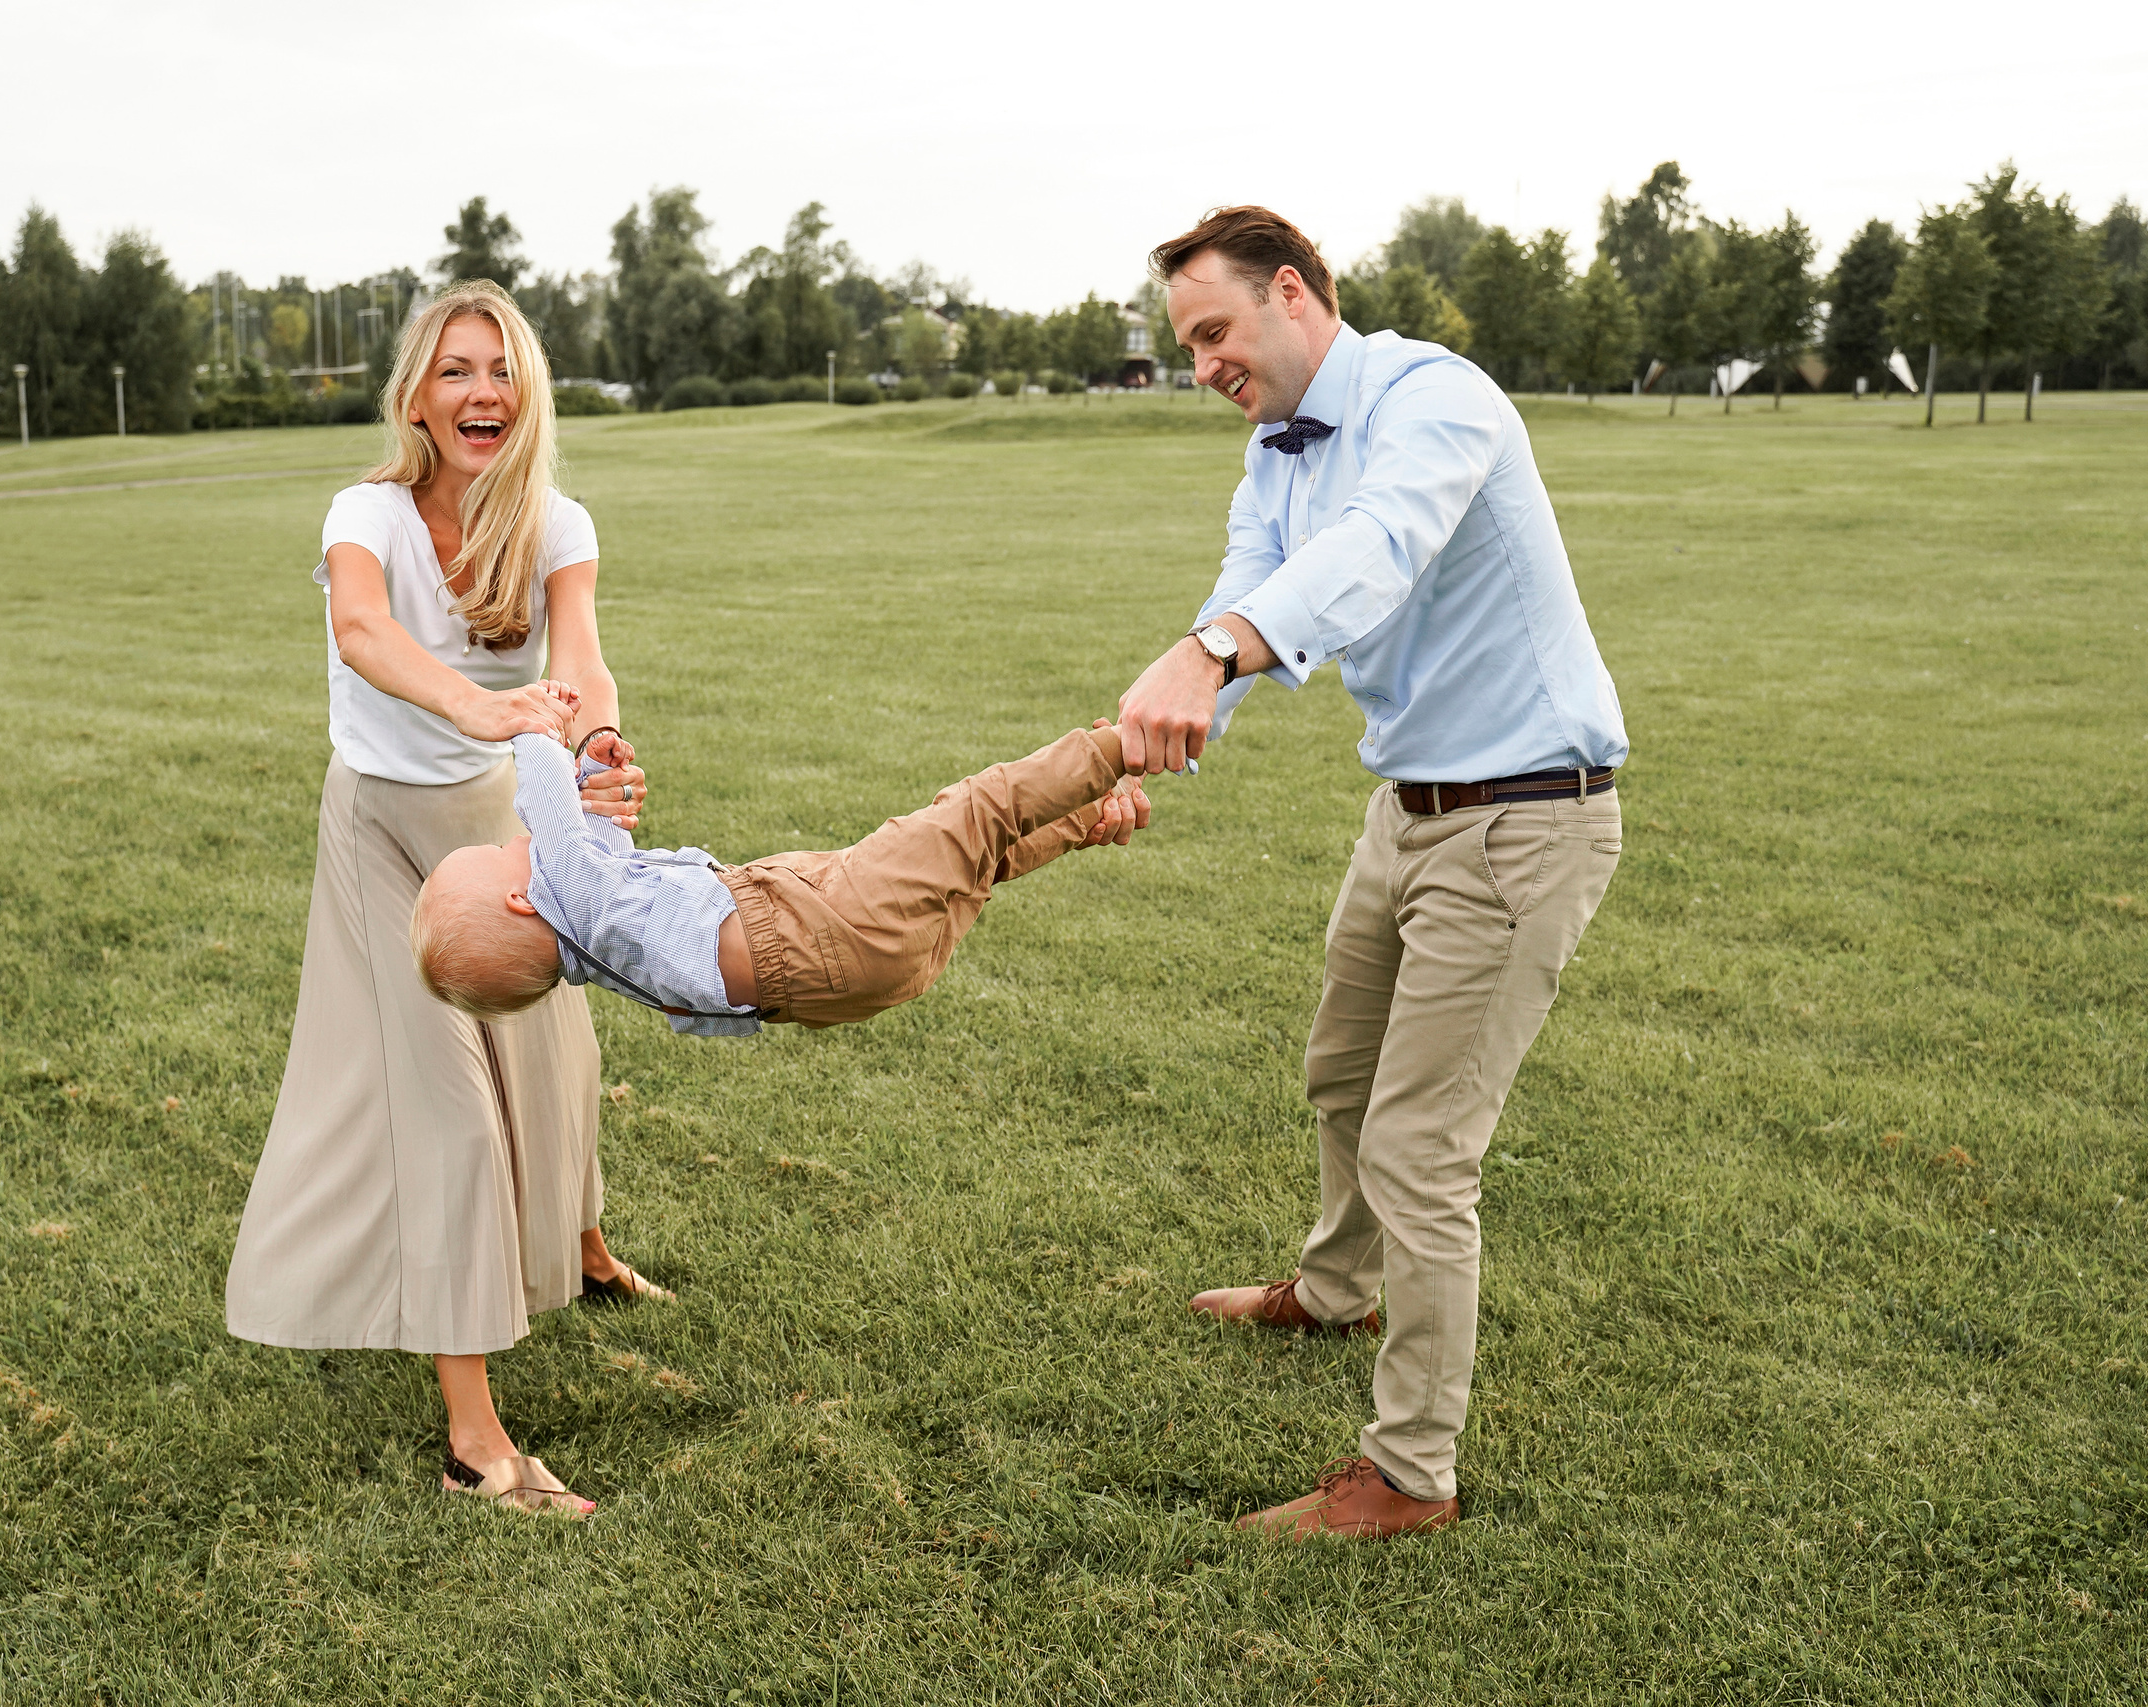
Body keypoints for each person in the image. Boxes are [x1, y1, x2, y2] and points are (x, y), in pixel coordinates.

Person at [1117, 207, 1630, 1541]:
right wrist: (1145, 748)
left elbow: (1376, 549)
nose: (1203, 366)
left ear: (1294, 293)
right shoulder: (1276, 456)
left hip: (1525, 816)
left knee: (1420, 1143)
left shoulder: (1434, 399)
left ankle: (1411, 1473)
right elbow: (1248, 590)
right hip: (1409, 811)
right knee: (1341, 1071)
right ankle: (1335, 1287)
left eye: (1216, 332)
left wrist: (1215, 654)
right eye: (1187, 346)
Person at [224, 281, 661, 1521]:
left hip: (495, 825)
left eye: (502, 370)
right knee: (449, 1111)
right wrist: (480, 707)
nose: (483, 392)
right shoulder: (362, 511)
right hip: (380, 832)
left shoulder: (556, 522)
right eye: (456, 371)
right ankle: (477, 1440)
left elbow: (580, 661)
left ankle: (578, 1249)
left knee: (558, 1060)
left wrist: (597, 747)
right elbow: (363, 631)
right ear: (417, 393)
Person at [412, 708, 1151, 1033]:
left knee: (975, 854)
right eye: (491, 849)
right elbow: (555, 818)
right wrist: (532, 727)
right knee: (976, 809)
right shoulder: (576, 897)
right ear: (518, 899)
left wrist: (590, 765)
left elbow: (594, 842)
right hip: (827, 923)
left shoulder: (600, 936)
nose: (512, 840)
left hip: (847, 977)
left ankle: (1092, 816)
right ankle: (1133, 737)